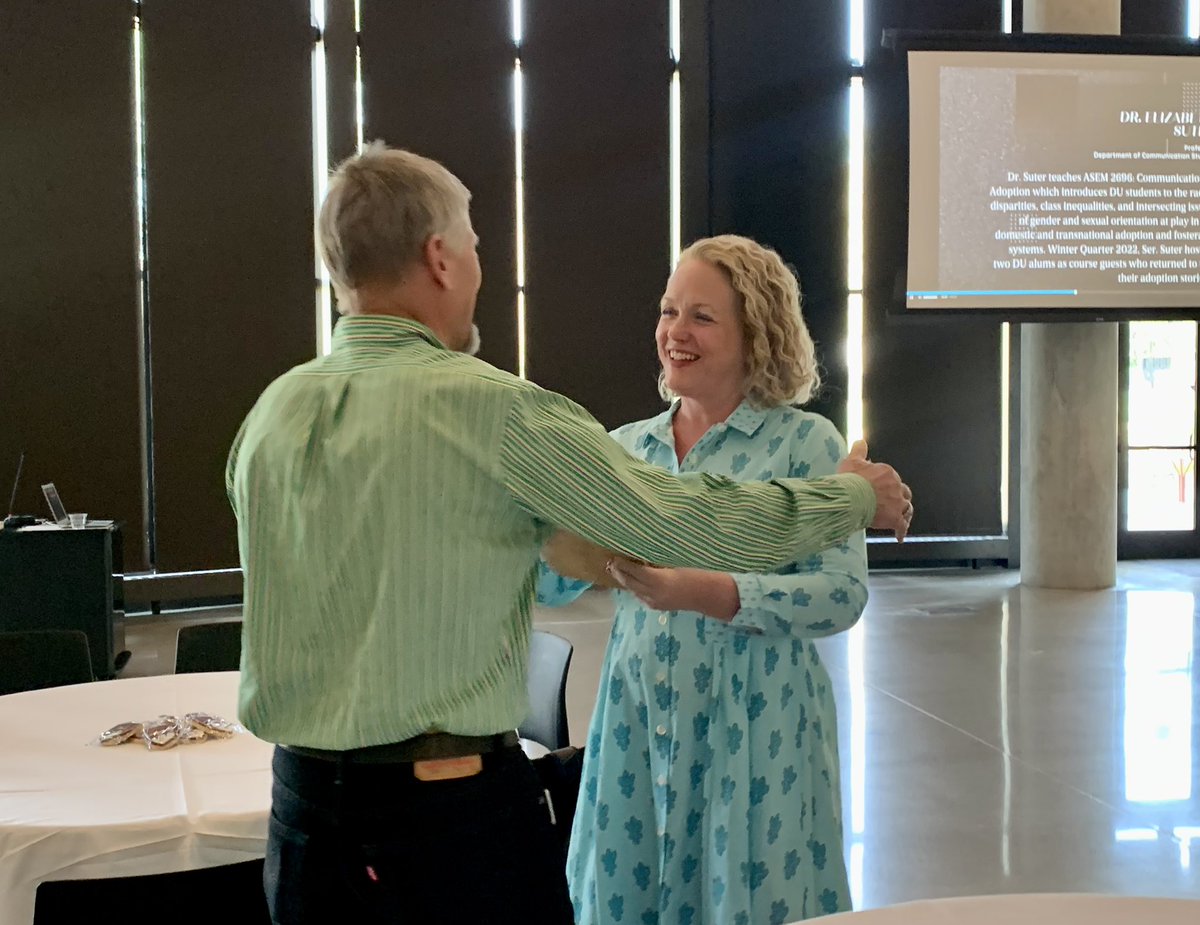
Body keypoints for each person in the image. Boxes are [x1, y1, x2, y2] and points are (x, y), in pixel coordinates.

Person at [225, 145, 912, 925]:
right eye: (478, 244)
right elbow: (688, 520)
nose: (483, 265)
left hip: (303, 819)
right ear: (439, 258)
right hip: (442, 825)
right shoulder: (497, 413)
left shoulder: (271, 416)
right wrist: (849, 498)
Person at [539, 235, 875, 924]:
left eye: (701, 316)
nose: (675, 332)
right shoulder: (626, 448)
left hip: (758, 731)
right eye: (668, 311)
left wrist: (706, 592)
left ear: (757, 330)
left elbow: (840, 594)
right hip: (636, 728)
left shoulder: (806, 444)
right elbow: (552, 585)